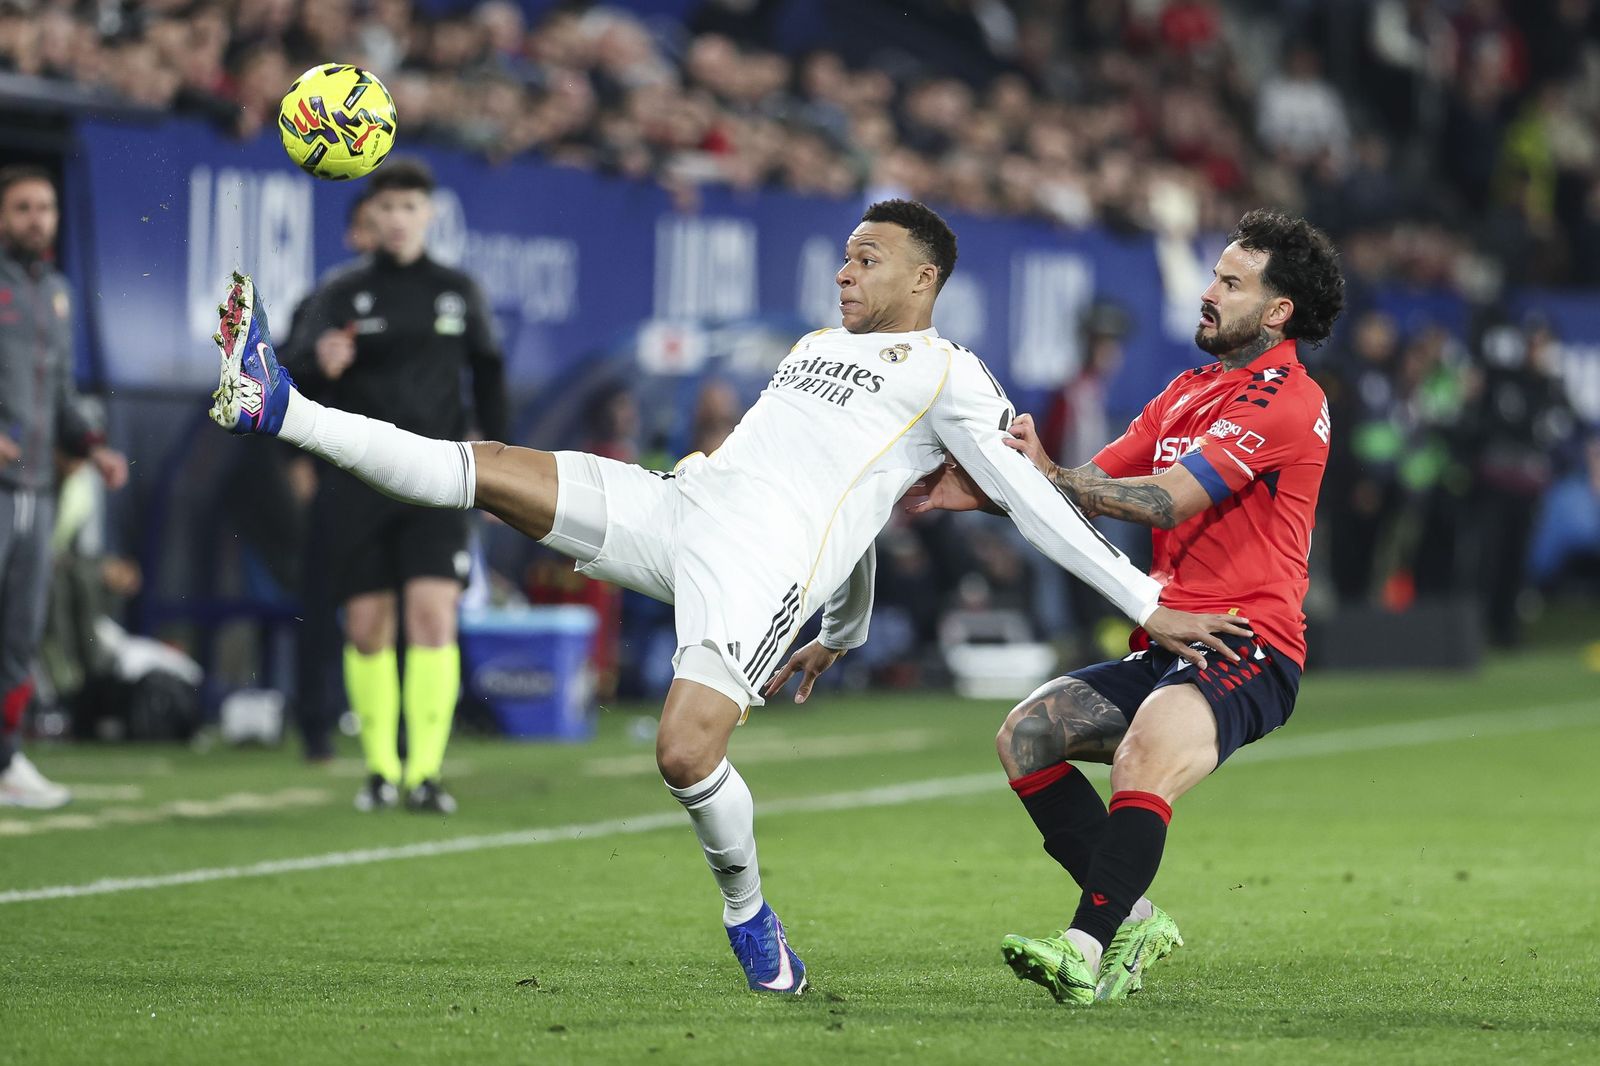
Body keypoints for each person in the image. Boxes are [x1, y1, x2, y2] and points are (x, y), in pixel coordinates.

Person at [208, 198, 1247, 996]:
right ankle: (278, 403)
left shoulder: (947, 376)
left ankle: (750, 918)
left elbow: (1029, 500)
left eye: (866, 258)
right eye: (840, 255)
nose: (842, 270)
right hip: (678, 505)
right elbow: (854, 503)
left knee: (682, 752)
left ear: (924, 279)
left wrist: (1145, 599)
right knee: (478, 467)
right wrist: (841, 627)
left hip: (753, 575)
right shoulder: (808, 351)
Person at [908, 208, 1345, 1005]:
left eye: (1230, 282)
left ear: (1278, 312)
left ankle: (1084, 950)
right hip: (1170, 638)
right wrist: (979, 492)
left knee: (1145, 754)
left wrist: (1052, 475)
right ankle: (1135, 917)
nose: (1207, 292)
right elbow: (1082, 487)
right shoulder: (1188, 391)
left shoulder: (1286, 398)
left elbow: (1163, 501)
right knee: (1028, 736)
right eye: (1214, 275)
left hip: (1246, 641)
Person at [277, 159, 508, 813]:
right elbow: (290, 373)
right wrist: (317, 365)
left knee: (434, 617)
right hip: (357, 480)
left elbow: (488, 377)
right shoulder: (340, 294)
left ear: (429, 214)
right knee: (368, 627)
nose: (399, 220)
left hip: (438, 477)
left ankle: (425, 774)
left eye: (410, 207)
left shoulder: (458, 291)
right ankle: (381, 771)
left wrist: (502, 466)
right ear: (369, 220)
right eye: (387, 209)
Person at [0, 165, 129, 809]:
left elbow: (61, 394)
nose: (37, 219)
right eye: (23, 207)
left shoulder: (55, 291)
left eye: (45, 208)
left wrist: (92, 447)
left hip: (35, 487)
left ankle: (6, 760)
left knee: (20, 631)